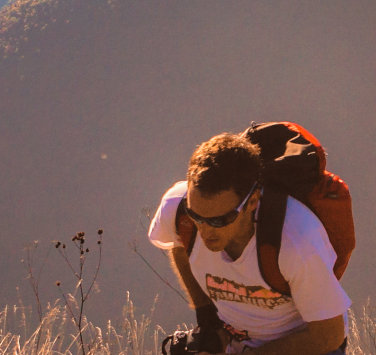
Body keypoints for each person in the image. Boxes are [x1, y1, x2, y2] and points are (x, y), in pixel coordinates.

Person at [148, 132, 350, 355]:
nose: (204, 231)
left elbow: (329, 336)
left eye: (219, 220)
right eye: (196, 216)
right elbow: (178, 244)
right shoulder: (176, 210)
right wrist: (206, 319)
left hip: (303, 345)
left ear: (252, 202)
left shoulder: (296, 240)